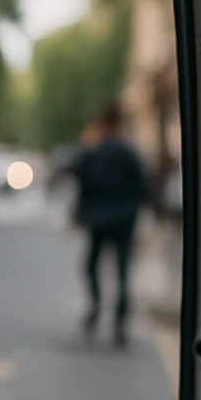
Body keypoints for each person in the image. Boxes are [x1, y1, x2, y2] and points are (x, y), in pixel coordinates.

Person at [68, 101, 149, 344]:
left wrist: (80, 213)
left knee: (92, 265)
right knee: (123, 270)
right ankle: (120, 322)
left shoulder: (94, 151)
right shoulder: (129, 153)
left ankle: (95, 307)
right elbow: (142, 187)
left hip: (99, 219)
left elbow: (82, 182)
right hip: (125, 219)